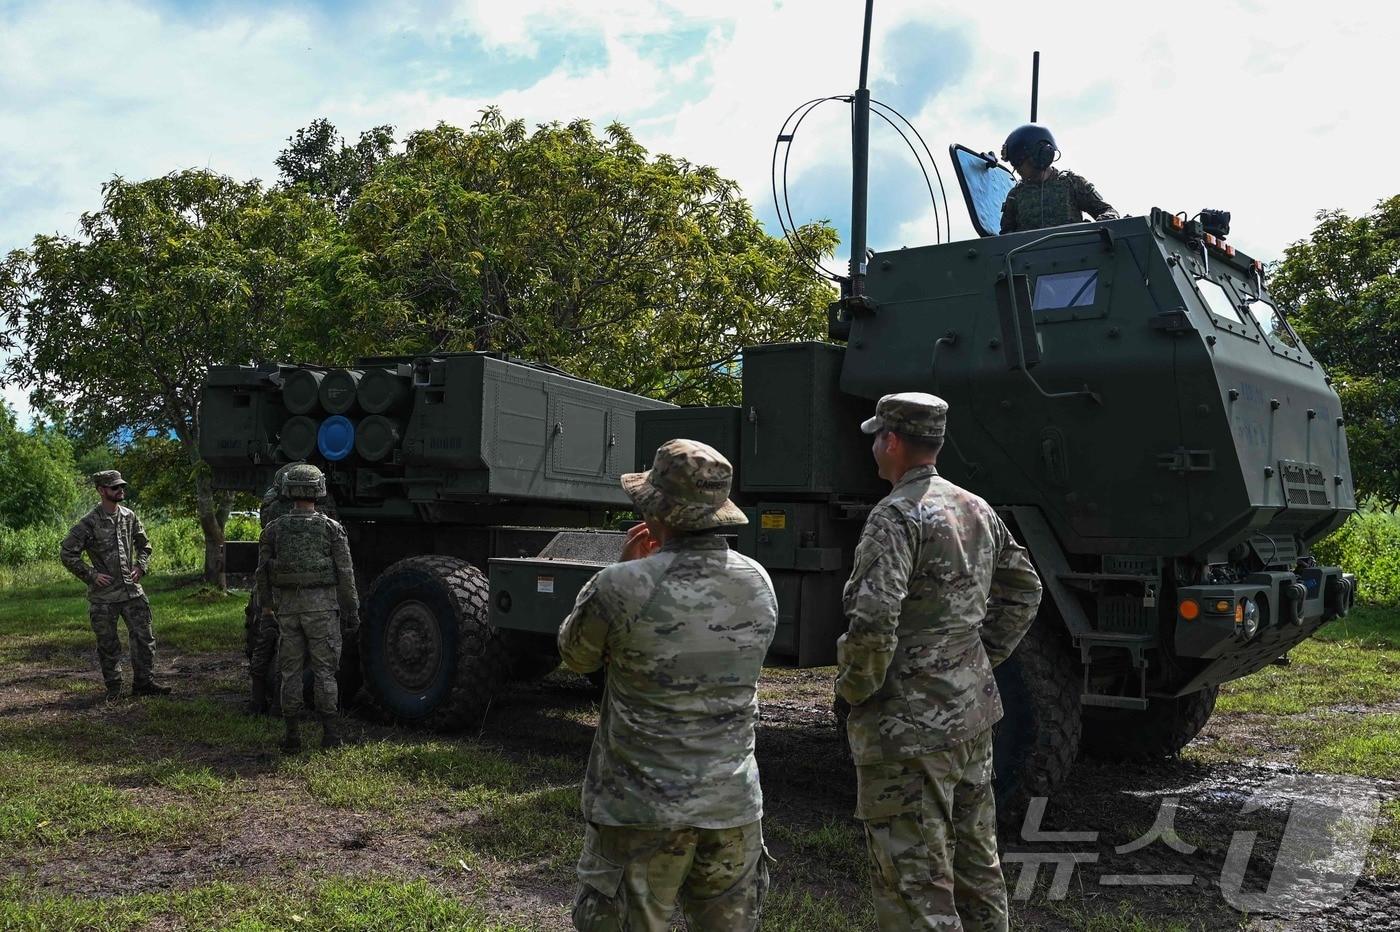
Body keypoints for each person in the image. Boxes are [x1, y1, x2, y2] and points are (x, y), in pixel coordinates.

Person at [838, 393, 1043, 932]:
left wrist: (858, 688)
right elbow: (1025, 589)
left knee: (914, 882)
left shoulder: (896, 515)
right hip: (971, 710)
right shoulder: (976, 507)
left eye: (877, 438)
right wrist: (977, 658)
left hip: (907, 725)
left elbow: (873, 618)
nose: (874, 448)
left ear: (892, 441)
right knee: (978, 863)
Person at [558, 439, 778, 932]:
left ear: (656, 511)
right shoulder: (758, 580)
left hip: (640, 809)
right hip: (732, 806)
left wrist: (624, 567)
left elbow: (576, 657)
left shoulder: (621, 585)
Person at [254, 464, 358, 752]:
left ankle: (292, 737)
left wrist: (267, 609)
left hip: (288, 611)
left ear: (288, 489)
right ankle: (330, 735)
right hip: (323, 611)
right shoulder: (331, 528)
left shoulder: (274, 529)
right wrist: (352, 611)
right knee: (325, 672)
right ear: (319, 489)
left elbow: (262, 573)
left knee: (290, 673)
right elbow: (345, 573)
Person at [60, 471, 172, 700]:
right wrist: (91, 575)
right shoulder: (89, 522)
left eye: (121, 486)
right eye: (114, 487)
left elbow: (144, 545)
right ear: (101, 491)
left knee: (144, 639)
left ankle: (144, 684)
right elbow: (67, 552)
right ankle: (115, 689)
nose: (120, 490)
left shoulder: (129, 516)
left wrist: (140, 566)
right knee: (108, 644)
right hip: (104, 597)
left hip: (132, 592)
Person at [245, 461, 338, 716]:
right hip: (291, 593)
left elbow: (263, 562)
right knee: (287, 653)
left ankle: (258, 703)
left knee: (266, 646)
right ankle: (278, 705)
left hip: (272, 587)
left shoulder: (272, 507)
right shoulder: (318, 515)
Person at [999, 123, 1118, 234]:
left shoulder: (1071, 183)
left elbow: (1107, 211)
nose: (1016, 169)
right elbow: (1005, 239)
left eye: (1019, 162)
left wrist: (1098, 227)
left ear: (1040, 155)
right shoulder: (1015, 195)